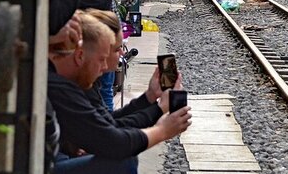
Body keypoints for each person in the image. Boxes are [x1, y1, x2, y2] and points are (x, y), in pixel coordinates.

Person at [47, 12, 191, 173]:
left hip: (56, 157)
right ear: (80, 56)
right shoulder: (64, 87)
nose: (122, 55)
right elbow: (113, 141)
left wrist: (149, 98)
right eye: (113, 51)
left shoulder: (75, 80)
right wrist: (161, 129)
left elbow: (107, 125)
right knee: (124, 161)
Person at [84, 9, 179, 126]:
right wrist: (160, 115)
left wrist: (150, 96)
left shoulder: (88, 84)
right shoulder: (73, 93)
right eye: (116, 49)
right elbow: (107, 134)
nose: (122, 53)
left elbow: (108, 121)